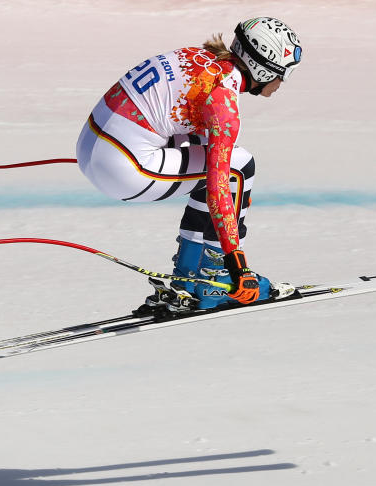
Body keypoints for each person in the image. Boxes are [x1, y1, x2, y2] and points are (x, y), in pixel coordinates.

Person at [75, 17, 302, 312]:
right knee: (239, 166)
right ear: (263, 67)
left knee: (203, 147)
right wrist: (238, 265)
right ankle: (217, 277)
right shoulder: (223, 101)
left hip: (92, 148)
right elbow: (219, 187)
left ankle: (189, 276)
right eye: (283, 74)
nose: (282, 83)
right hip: (121, 167)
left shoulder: (199, 59)